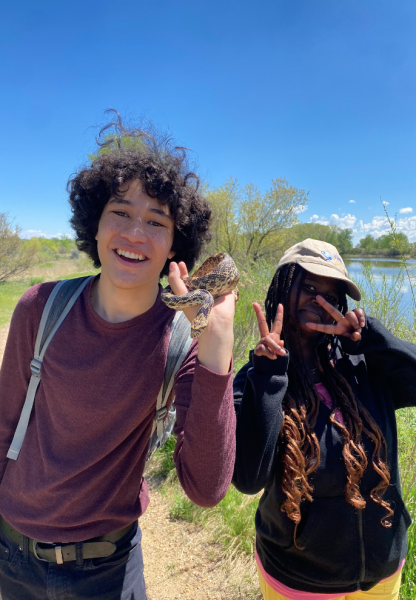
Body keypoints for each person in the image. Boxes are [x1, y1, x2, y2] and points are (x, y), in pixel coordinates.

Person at [0, 113, 236, 600]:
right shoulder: (39, 309)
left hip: (108, 572)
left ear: (175, 244)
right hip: (11, 555)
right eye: (120, 212)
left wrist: (216, 350)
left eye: (156, 221)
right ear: (96, 223)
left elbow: (206, 489)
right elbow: (4, 423)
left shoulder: (181, 343)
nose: (134, 233)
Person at [233, 238, 415, 600]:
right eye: (310, 287)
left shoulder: (363, 365)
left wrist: (367, 339)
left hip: (381, 570)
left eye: (331, 295)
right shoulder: (256, 379)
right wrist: (270, 377)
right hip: (299, 579)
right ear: (283, 288)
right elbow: (248, 479)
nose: (321, 301)